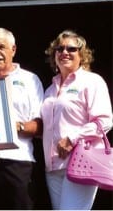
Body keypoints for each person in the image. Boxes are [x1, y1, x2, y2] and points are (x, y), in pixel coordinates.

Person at [41, 30, 113, 210]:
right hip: (53, 167)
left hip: (81, 162)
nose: (64, 52)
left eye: (71, 48)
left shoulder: (91, 81)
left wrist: (72, 138)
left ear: (82, 55)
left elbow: (104, 120)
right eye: (59, 48)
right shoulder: (50, 90)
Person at [0, 27, 44, 209]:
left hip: (19, 160)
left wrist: (16, 126)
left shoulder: (30, 80)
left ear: (13, 50)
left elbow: (41, 126)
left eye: (1, 47)